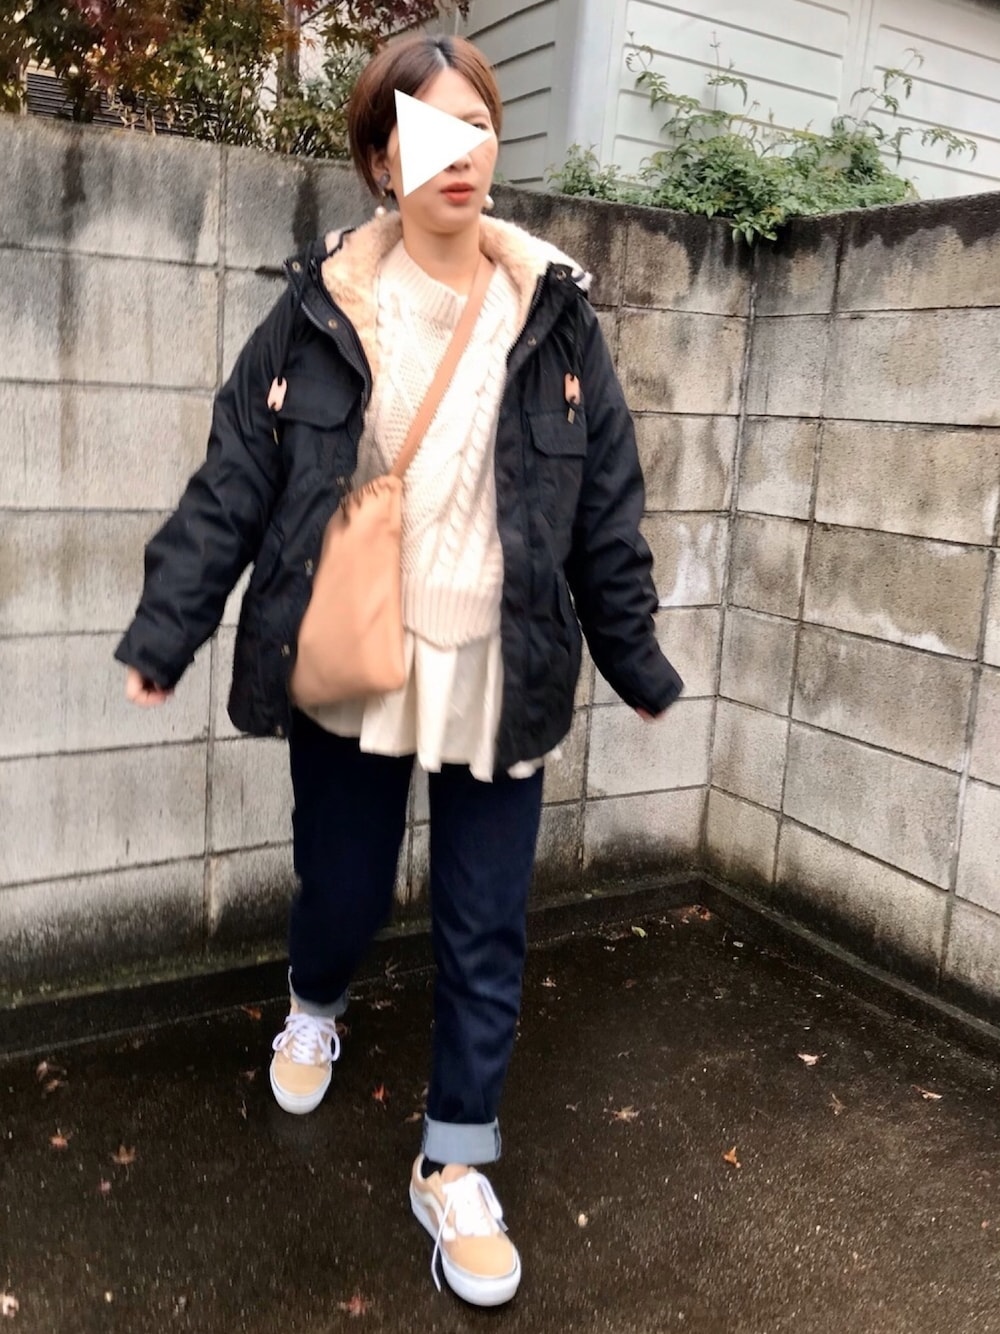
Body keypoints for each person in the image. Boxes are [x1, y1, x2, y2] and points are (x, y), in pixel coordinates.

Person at [116, 31, 682, 1307]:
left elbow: (607, 508)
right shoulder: (317, 310)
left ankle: (455, 1157)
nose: (459, 152)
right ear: (381, 161)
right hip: (359, 652)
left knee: (487, 924)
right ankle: (315, 998)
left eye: (477, 124)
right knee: (346, 886)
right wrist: (167, 628)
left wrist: (634, 654)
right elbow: (234, 479)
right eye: (428, 130)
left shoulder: (557, 316)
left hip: (501, 666)